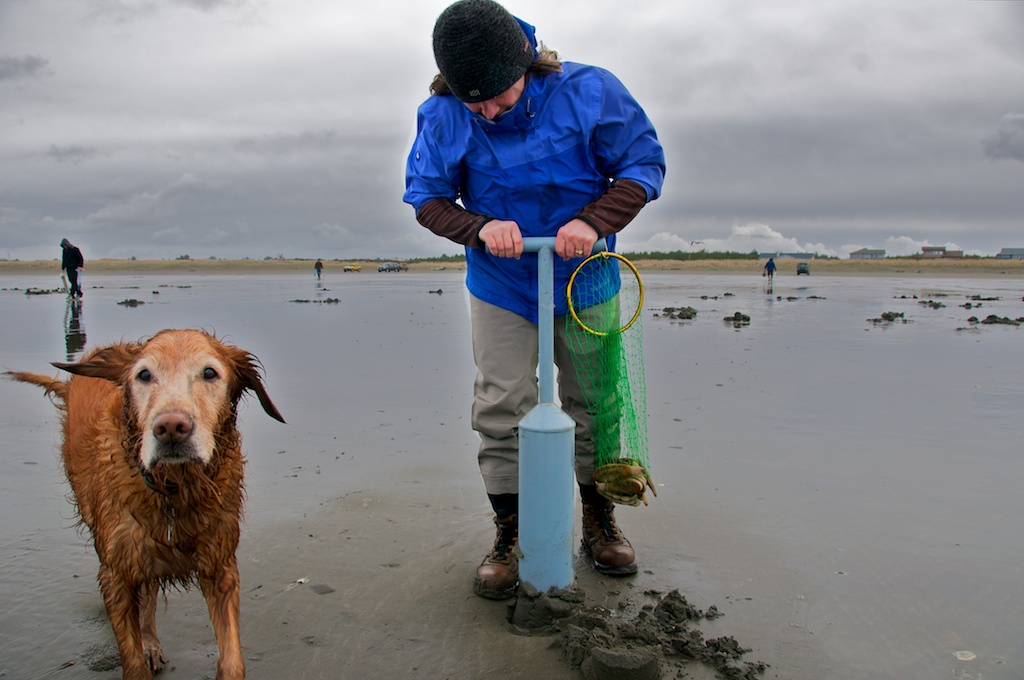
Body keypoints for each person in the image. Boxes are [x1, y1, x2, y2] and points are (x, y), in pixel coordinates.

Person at [404, 0, 665, 600]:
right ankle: (510, 535)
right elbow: (426, 196)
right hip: (502, 282)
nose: (489, 111)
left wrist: (594, 220)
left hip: (585, 274)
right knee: (501, 404)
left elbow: (643, 166)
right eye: (477, 104)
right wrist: (477, 227)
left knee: (594, 403)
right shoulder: (442, 115)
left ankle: (600, 524)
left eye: (500, 96)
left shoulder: (591, 90)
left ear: (527, 63)